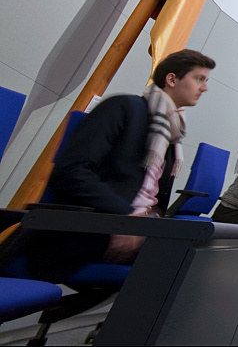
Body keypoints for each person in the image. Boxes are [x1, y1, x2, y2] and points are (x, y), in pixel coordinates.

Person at [26, 50, 215, 280]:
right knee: (190, 263)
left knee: (205, 251)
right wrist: (124, 218)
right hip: (95, 226)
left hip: (134, 226)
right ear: (172, 79)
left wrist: (146, 219)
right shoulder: (123, 107)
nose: (204, 88)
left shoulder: (170, 131)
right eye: (199, 79)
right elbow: (71, 172)